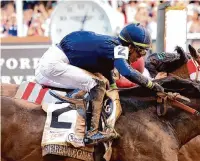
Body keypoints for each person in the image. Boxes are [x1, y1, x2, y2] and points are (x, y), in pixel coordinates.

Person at [35, 23, 163, 145]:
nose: (140, 57)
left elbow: (106, 69)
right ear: (130, 47)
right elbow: (127, 72)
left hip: (54, 62)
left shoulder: (112, 45)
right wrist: (151, 84)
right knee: (97, 85)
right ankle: (91, 134)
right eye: (141, 52)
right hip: (53, 65)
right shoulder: (119, 48)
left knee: (100, 83)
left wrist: (113, 88)